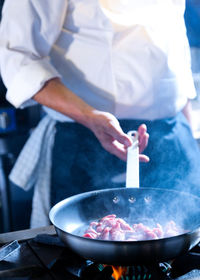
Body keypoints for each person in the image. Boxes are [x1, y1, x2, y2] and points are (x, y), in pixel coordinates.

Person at [0, 0, 200, 228]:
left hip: (172, 137)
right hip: (86, 136)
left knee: (184, 246)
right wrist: (89, 116)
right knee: (86, 251)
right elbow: (19, 58)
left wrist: (189, 139)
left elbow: (174, 46)